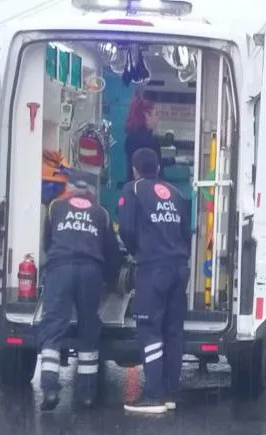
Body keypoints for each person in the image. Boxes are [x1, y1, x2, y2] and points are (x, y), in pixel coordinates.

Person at [117, 147, 192, 414]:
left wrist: (135, 251)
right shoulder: (175, 193)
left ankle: (153, 395)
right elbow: (186, 231)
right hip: (179, 268)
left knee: (150, 330)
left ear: (135, 169)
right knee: (173, 331)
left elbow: (125, 228)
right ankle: (171, 393)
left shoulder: (133, 190)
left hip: (152, 268)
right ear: (158, 168)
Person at [38, 174, 122, 412]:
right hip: (90, 271)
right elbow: (111, 251)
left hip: (60, 268)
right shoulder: (101, 213)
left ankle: (50, 388)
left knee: (54, 324)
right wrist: (113, 280)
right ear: (91, 192)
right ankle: (86, 394)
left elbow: (48, 242)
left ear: (70, 189)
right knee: (88, 327)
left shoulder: (56, 207)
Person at [123, 96, 164, 183]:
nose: (158, 118)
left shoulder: (130, 137)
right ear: (146, 115)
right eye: (156, 114)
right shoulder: (151, 141)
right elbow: (157, 165)